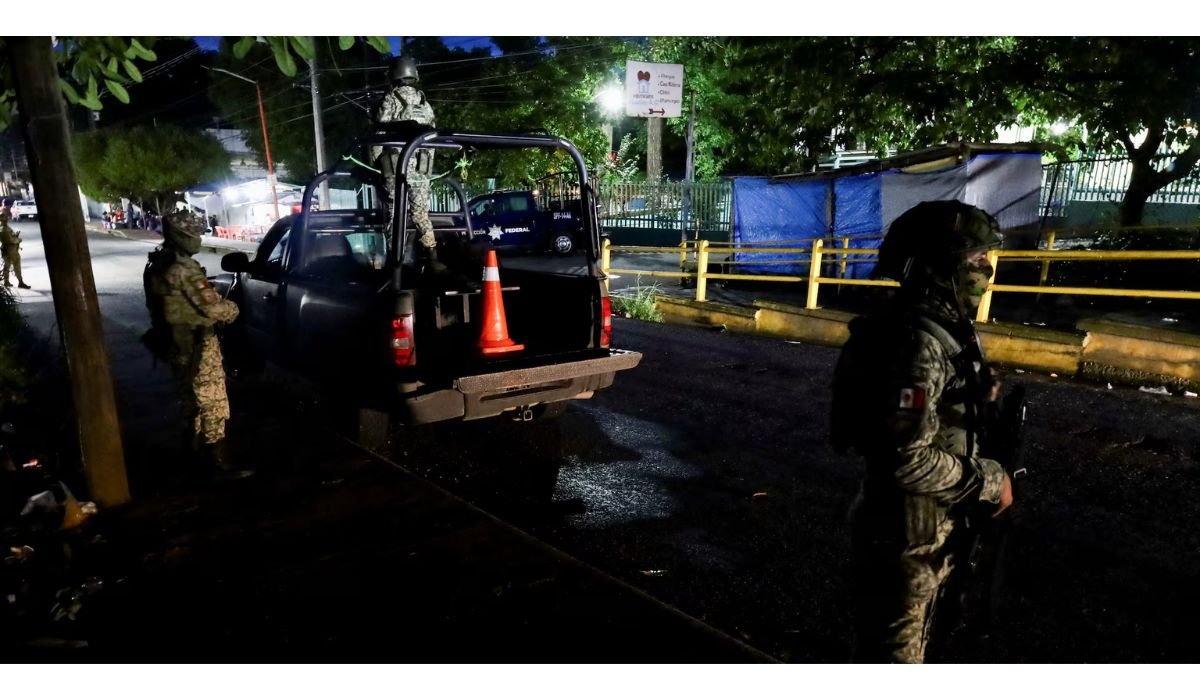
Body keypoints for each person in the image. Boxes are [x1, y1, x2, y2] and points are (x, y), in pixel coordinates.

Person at [830, 200, 1014, 663]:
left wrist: (977, 398)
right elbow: (905, 458)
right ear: (941, 262)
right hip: (906, 540)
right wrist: (991, 480)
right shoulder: (918, 340)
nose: (986, 270)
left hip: (924, 534)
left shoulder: (936, 327)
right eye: (975, 260)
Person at [143, 210, 245, 476]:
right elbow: (213, 310)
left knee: (191, 402)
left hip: (176, 344)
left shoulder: (157, 264)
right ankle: (218, 461)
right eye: (193, 234)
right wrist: (233, 309)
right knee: (213, 402)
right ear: (180, 236)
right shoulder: (184, 269)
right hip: (199, 344)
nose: (198, 238)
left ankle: (195, 455)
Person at [371, 55, 445, 273]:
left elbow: (378, 134)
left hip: (396, 168)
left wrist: (376, 164)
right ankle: (432, 257)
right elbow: (432, 136)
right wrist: (427, 165)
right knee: (421, 214)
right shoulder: (425, 103)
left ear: (393, 75)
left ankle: (397, 264)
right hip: (421, 169)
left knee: (393, 215)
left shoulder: (390, 100)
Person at [1, 207, 30, 289]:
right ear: (2, 219)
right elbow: (10, 240)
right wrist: (18, 240)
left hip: (5, 249)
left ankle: (6, 282)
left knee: (6, 265)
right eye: (5, 217)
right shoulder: (4, 229)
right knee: (16, 265)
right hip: (11, 249)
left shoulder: (3, 227)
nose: (7, 218)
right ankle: (20, 282)